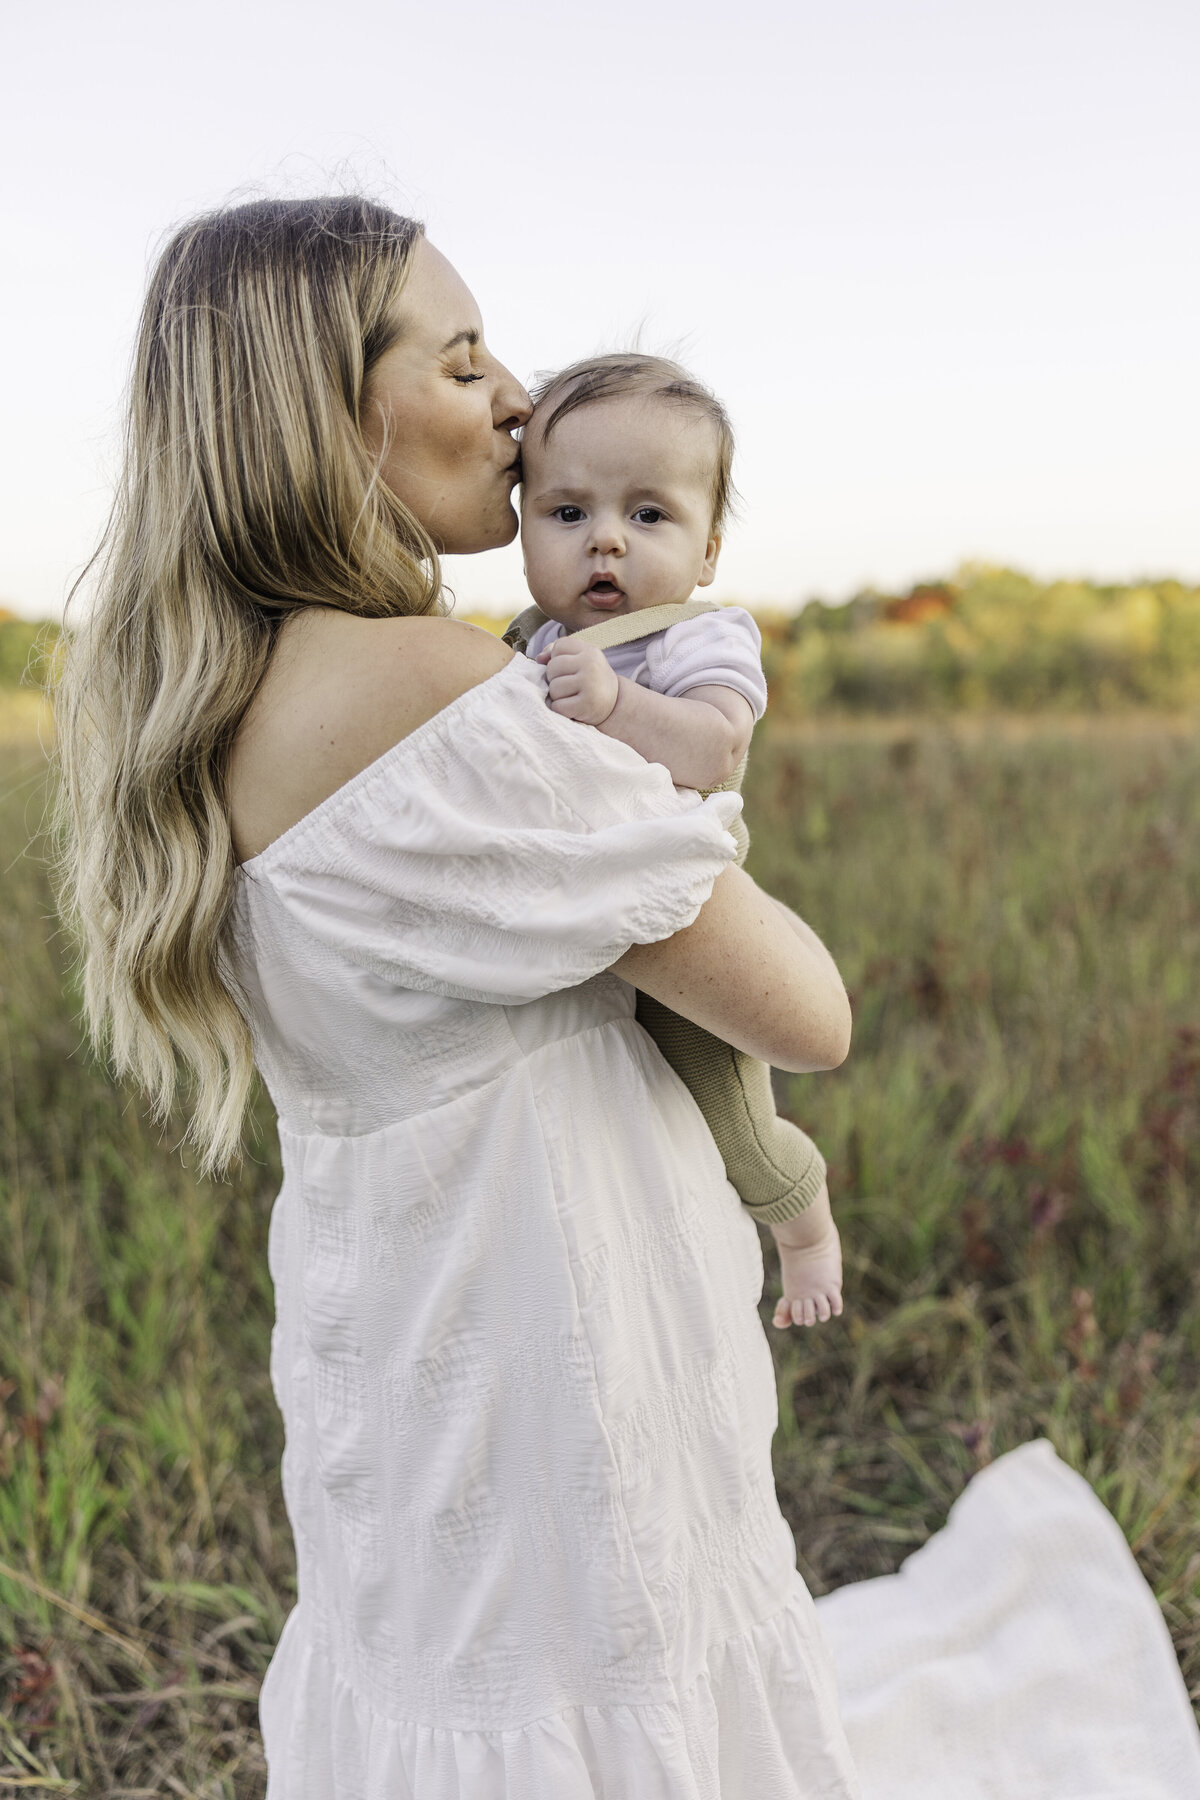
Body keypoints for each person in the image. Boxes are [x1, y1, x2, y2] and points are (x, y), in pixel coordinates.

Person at [54, 195, 861, 1798]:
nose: (518, 399)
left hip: (392, 1310)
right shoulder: (430, 684)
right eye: (464, 358)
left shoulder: (228, 685)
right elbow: (805, 1013)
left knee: (451, 1672)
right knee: (600, 1676)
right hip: (546, 1315)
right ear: (325, 411)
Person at [508, 352, 844, 1330]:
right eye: (568, 512)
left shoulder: (697, 633)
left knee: (728, 1110)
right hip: (587, 927)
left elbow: (715, 745)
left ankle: (803, 1225)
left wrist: (617, 704)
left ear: (707, 551)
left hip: (683, 919)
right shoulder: (527, 639)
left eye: (649, 514)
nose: (606, 539)